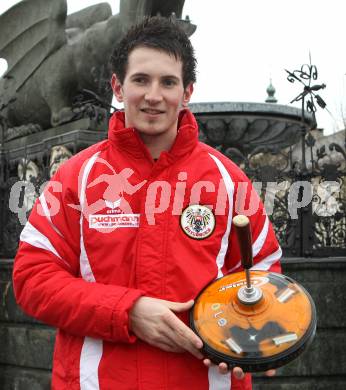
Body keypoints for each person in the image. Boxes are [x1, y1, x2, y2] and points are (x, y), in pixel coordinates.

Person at [13, 16, 281, 390]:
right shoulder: (76, 177)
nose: (153, 95)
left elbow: (262, 279)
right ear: (118, 87)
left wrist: (255, 338)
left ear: (187, 92)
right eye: (141, 80)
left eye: (168, 82)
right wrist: (127, 311)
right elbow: (32, 279)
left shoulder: (228, 181)